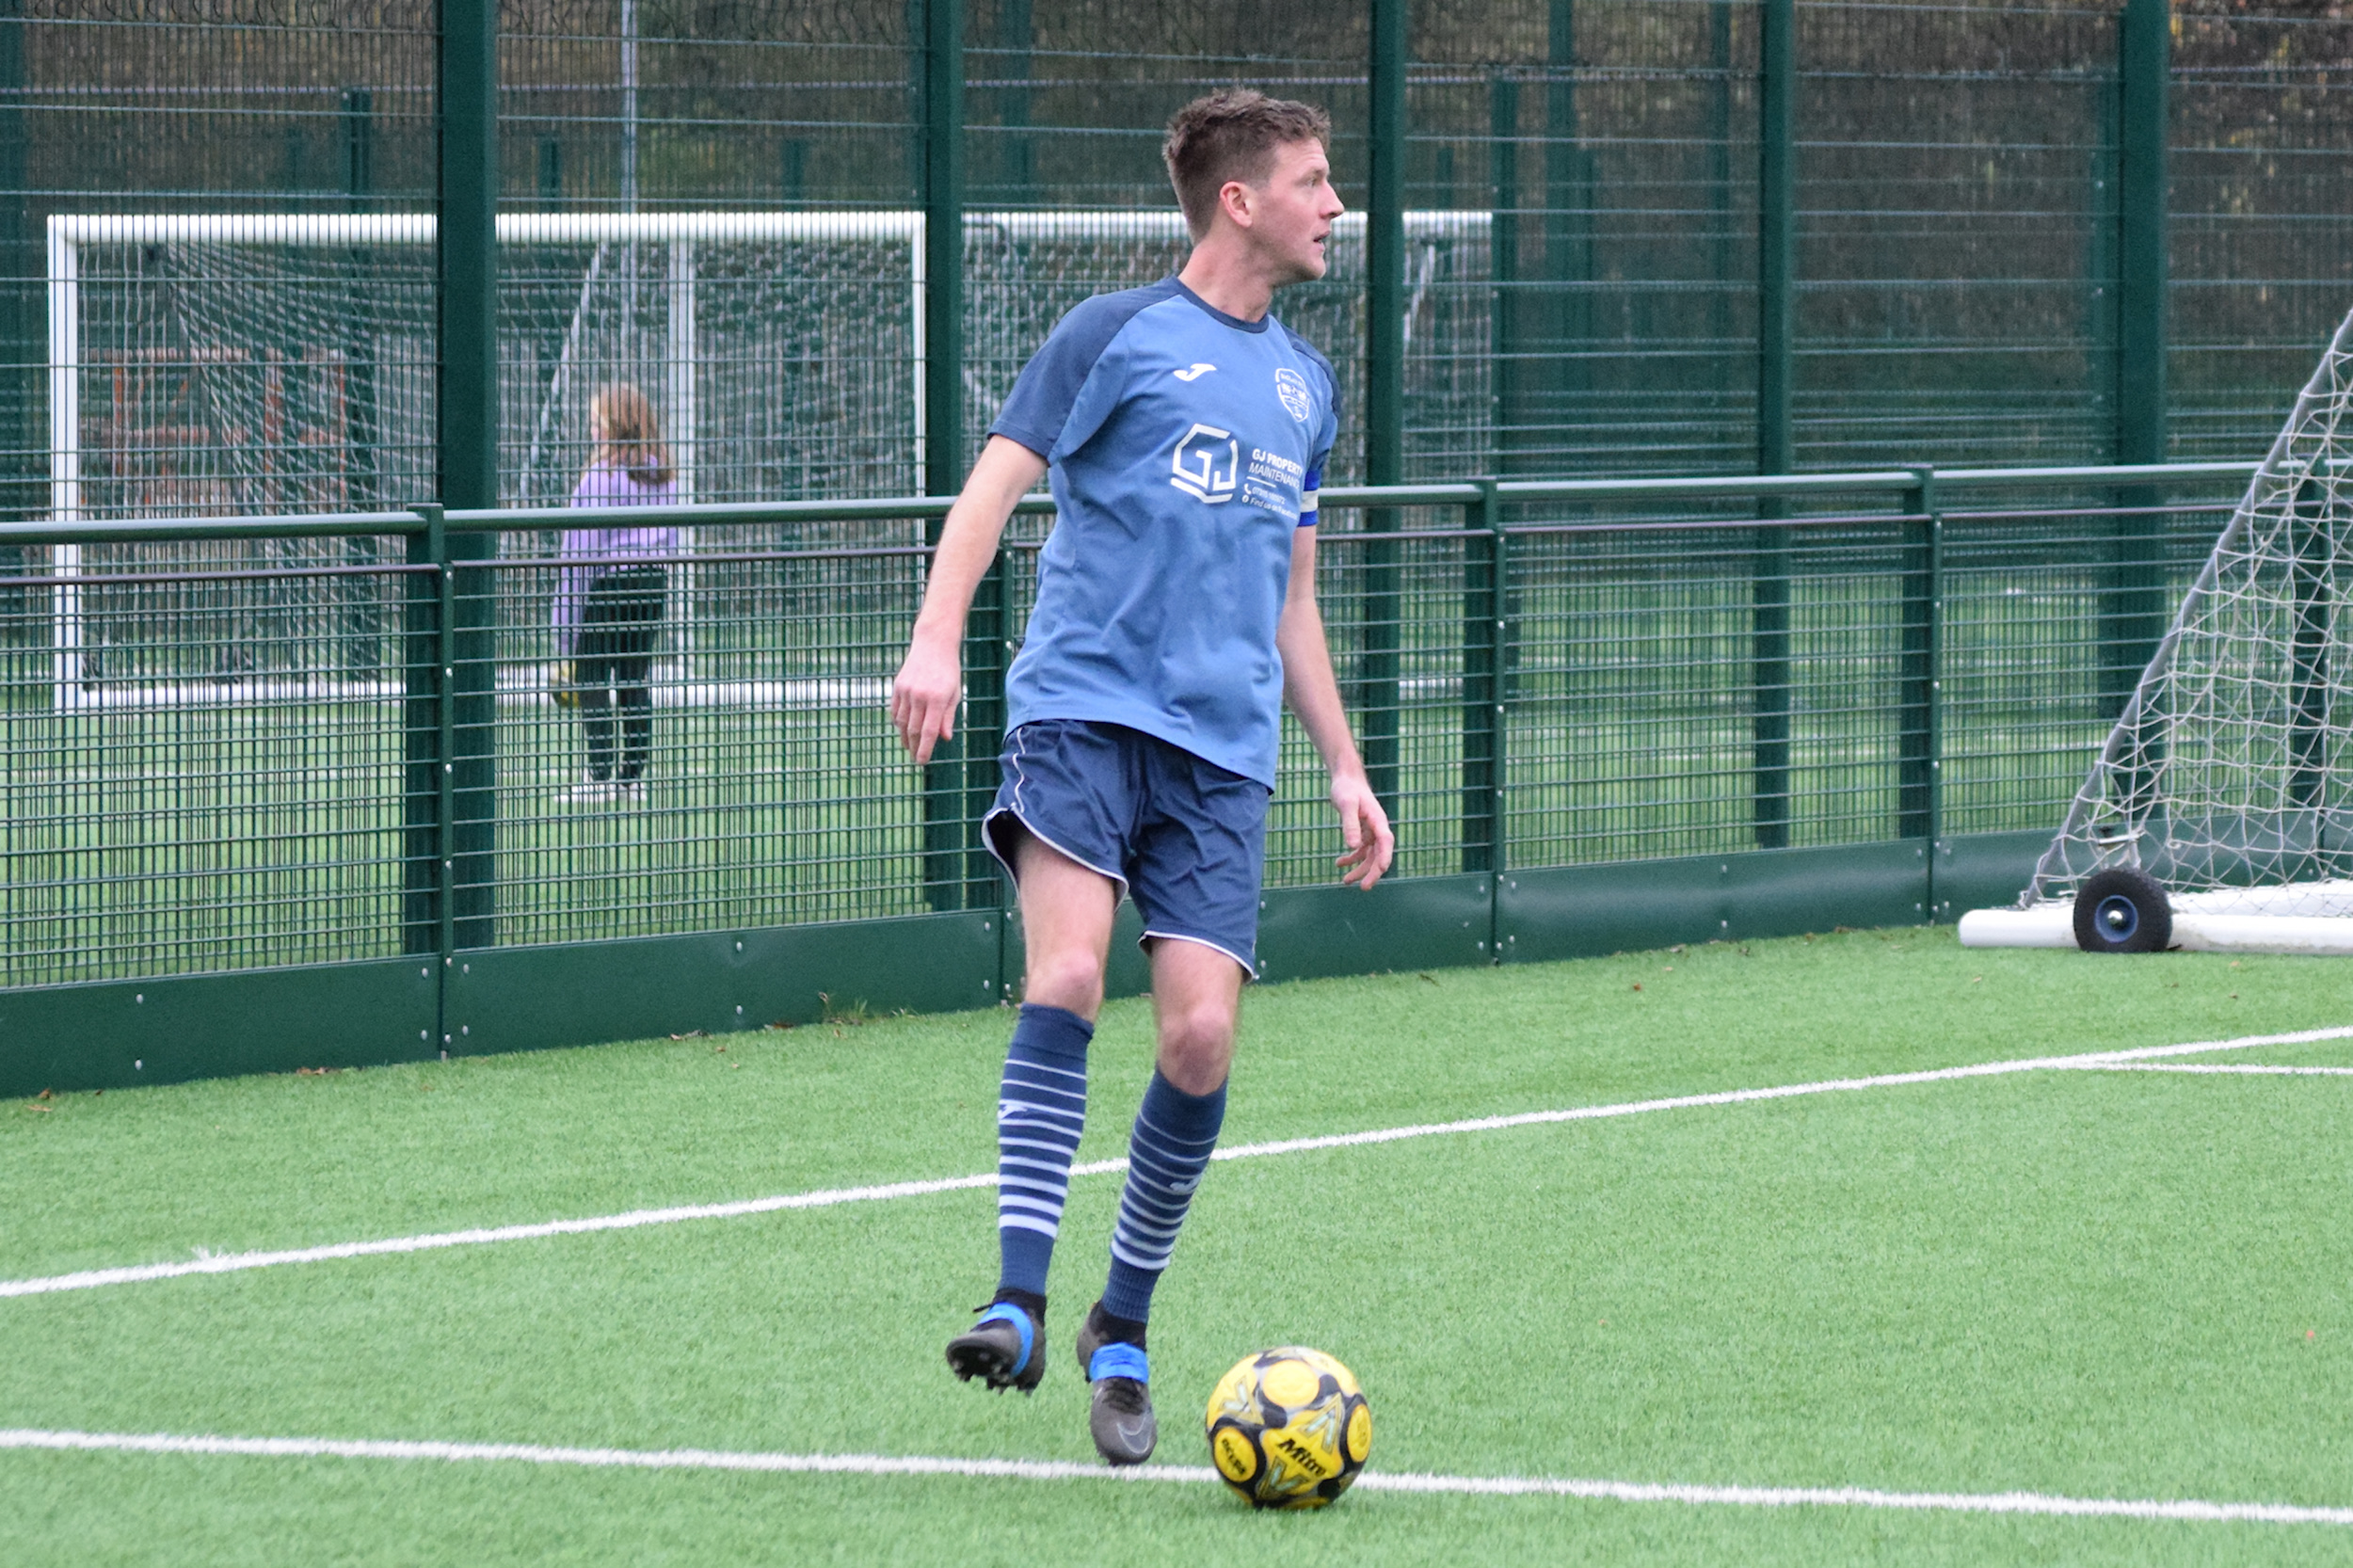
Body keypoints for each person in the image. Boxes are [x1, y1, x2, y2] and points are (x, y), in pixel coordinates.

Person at [889, 89, 1394, 1467]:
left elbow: (1293, 594)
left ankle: (1122, 1324)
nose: (1334, 204)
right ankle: (1017, 1299)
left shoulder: (1307, 386)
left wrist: (1347, 765)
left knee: (1198, 1041)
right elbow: (992, 488)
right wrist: (936, 639)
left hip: (1224, 755)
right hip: (1083, 711)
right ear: (1240, 200)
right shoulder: (1109, 335)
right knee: (1064, 974)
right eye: (1312, 180)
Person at [553, 383, 680, 803]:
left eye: (598, 423)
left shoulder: (600, 477)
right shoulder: (663, 474)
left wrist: (564, 630)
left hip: (609, 583)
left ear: (619, 425)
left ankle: (600, 776)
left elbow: (579, 554)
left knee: (591, 675)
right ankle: (631, 777)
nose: (592, 431)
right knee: (633, 678)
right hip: (652, 585)